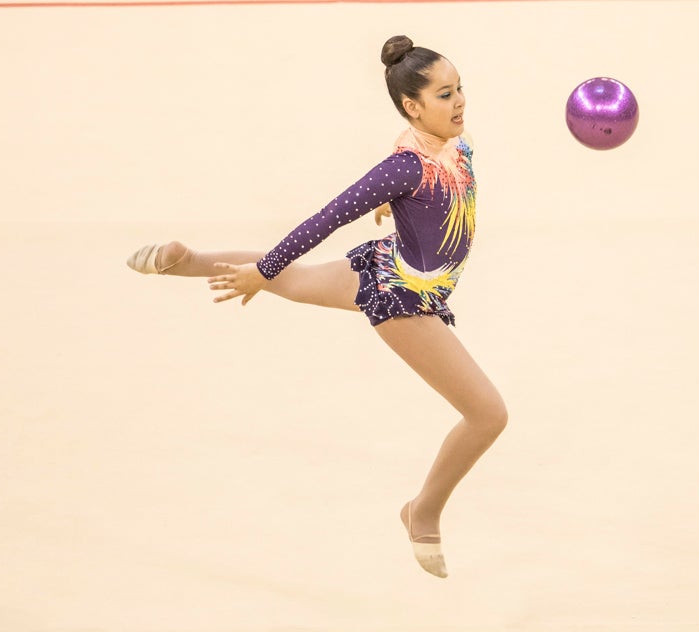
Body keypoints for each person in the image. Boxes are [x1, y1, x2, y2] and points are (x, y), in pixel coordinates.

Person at [124, 35, 506, 579]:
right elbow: (325, 219)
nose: (460, 101)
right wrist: (264, 268)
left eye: (460, 88)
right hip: (406, 299)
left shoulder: (454, 146)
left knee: (298, 283)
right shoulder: (402, 167)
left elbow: (443, 200)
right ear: (412, 107)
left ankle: (186, 261)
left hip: (392, 263)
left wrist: (397, 212)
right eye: (445, 95)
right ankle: (423, 510)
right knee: (488, 414)